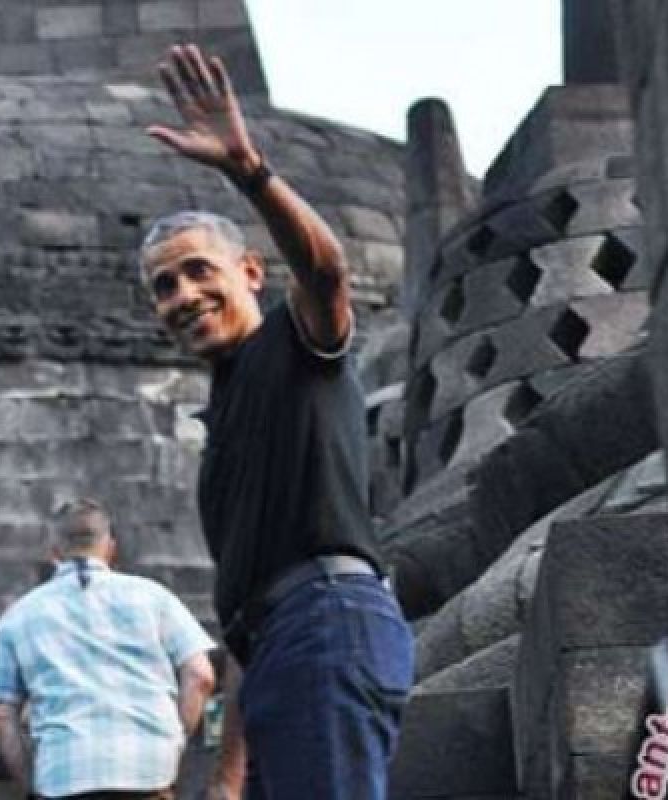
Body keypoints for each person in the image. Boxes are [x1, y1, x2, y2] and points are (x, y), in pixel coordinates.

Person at [139, 45, 415, 800]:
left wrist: (247, 169)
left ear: (251, 273)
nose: (185, 294)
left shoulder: (294, 349)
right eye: (165, 286)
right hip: (280, 647)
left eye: (201, 271)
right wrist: (227, 778)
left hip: (330, 620)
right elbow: (243, 617)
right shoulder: (224, 420)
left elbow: (326, 273)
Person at [0, 498, 217, 800]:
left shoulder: (18, 616)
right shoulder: (154, 597)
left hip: (63, 775)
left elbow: (1, 714)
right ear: (110, 549)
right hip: (148, 772)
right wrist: (174, 739)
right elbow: (201, 676)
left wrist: (32, 780)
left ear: (54, 553)